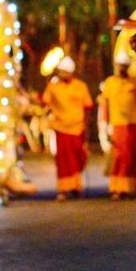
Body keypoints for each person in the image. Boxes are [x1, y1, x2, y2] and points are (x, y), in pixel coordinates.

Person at [42, 56, 93, 201]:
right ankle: (64, 189)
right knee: (63, 160)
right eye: (61, 72)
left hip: (77, 128)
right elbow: (45, 102)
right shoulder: (53, 86)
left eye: (65, 72)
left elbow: (88, 107)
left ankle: (75, 186)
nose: (63, 74)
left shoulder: (80, 86)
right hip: (60, 128)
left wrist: (86, 127)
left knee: (78, 158)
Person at [98, 52, 136, 199]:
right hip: (117, 123)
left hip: (134, 123)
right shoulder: (110, 83)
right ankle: (117, 187)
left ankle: (129, 187)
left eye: (125, 66)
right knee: (120, 156)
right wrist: (105, 124)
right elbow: (104, 105)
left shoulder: (135, 82)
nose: (122, 69)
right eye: (120, 66)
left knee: (131, 156)